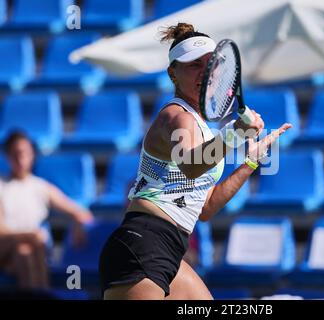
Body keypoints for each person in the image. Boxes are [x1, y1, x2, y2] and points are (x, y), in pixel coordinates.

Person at [99, 22, 292, 300]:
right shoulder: (176, 116)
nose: (204, 72)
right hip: (143, 245)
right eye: (193, 65)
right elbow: (190, 165)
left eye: (209, 65)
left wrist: (249, 163)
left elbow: (206, 207)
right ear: (173, 74)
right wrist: (236, 132)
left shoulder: (202, 127)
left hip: (169, 249)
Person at [0, 131, 94, 290]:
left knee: (25, 252)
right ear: (8, 156)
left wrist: (78, 224)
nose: (21, 159)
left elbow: (80, 212)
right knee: (31, 246)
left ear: (32, 155)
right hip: (5, 248)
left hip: (28, 251)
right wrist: (31, 235)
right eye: (15, 154)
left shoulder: (41, 187)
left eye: (25, 154)